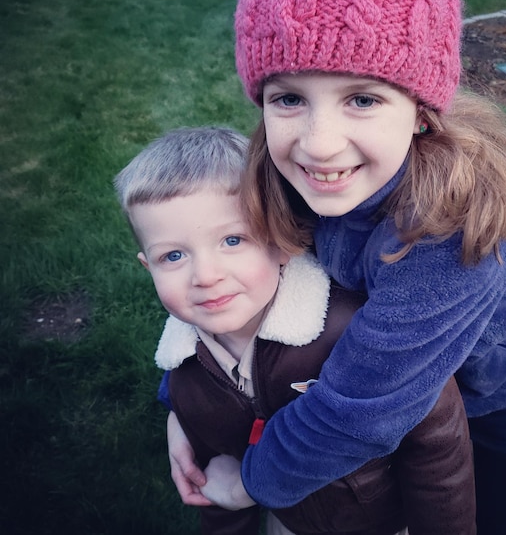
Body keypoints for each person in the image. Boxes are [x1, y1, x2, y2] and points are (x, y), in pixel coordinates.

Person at [167, 0, 506, 534]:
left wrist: (252, 481)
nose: (319, 145)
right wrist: (184, 404)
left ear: (421, 112)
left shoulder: (453, 228)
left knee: (489, 511)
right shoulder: (284, 172)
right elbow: (216, 273)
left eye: (362, 99)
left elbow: (360, 409)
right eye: (289, 98)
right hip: (393, 347)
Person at [114, 126, 476, 535]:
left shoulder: (354, 332)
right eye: (173, 255)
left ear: (281, 240)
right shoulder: (185, 375)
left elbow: (438, 449)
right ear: (149, 266)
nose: (206, 275)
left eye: (233, 240)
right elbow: (215, 481)